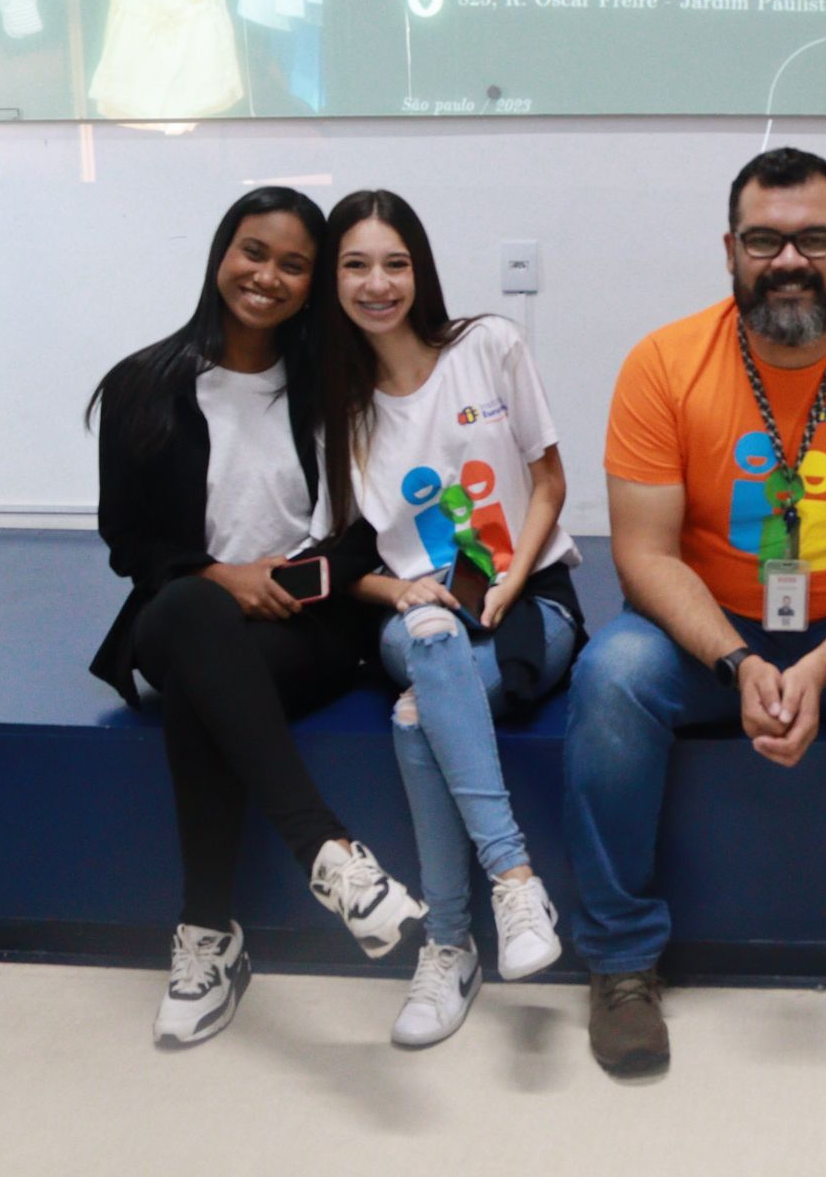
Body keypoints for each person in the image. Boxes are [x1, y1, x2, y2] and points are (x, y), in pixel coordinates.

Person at [563, 147, 826, 1080]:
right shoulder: (663, 363)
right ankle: (621, 963)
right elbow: (643, 555)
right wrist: (737, 661)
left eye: (814, 240)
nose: (789, 261)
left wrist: (822, 666)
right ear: (730, 249)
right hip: (711, 628)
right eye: (764, 240)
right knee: (610, 677)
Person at [88, 187, 426, 1049]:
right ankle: (330, 854)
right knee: (190, 612)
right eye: (253, 252)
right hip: (182, 609)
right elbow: (129, 540)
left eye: (294, 264)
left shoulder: (335, 389)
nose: (267, 276)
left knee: (203, 693)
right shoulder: (143, 384)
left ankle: (207, 937)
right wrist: (220, 577)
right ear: (221, 254)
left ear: (314, 283)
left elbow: (367, 532)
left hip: (305, 627)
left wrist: (289, 583)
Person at [315, 189, 585, 1049]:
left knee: (414, 715)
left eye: (394, 263)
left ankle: (448, 943)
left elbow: (549, 483)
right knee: (432, 642)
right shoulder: (334, 407)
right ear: (332, 280)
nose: (377, 284)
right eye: (356, 265)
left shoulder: (489, 346)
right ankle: (515, 880)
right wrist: (397, 595)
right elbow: (339, 559)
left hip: (528, 597)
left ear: (420, 270)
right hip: (418, 612)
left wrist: (509, 582)